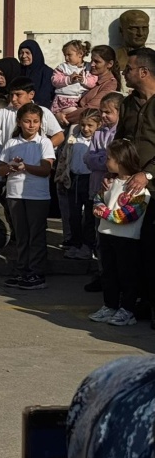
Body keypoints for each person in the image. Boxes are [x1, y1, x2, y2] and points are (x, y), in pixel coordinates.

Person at [88, 140, 150, 327]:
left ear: (121, 160)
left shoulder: (139, 189)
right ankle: (110, 305)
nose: (106, 162)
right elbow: (99, 198)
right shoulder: (110, 182)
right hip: (106, 234)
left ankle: (128, 310)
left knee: (127, 275)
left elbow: (129, 214)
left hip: (127, 238)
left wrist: (105, 213)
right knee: (109, 273)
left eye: (109, 158)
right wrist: (99, 206)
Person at [115, 48, 155, 325]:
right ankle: (136, 301)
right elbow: (121, 141)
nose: (124, 73)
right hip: (129, 188)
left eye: (128, 69)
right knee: (131, 248)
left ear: (143, 71)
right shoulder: (128, 104)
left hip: (151, 186)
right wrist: (115, 170)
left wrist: (148, 174)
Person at [0, 104, 57, 290]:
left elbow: (46, 169)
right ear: (19, 122)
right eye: (27, 121)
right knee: (21, 234)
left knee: (36, 235)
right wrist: (11, 166)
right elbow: (0, 169)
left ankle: (36, 272)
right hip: (15, 193)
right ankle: (22, 270)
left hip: (36, 196)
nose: (31, 125)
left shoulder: (44, 143)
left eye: (35, 122)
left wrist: (26, 167)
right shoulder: (11, 143)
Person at [84, 92, 124, 292]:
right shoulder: (99, 133)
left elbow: (117, 162)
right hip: (97, 190)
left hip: (116, 193)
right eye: (102, 112)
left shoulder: (121, 133)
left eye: (108, 112)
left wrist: (104, 160)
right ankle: (102, 273)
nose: (104, 116)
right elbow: (88, 158)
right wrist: (104, 160)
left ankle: (116, 276)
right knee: (99, 237)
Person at [57, 111, 100, 260]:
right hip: (74, 179)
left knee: (89, 216)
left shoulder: (98, 141)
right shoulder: (73, 138)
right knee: (73, 215)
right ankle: (75, 243)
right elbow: (64, 159)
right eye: (83, 124)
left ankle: (88, 246)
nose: (86, 128)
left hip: (90, 180)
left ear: (98, 125)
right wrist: (61, 178)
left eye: (90, 125)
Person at [62, 45, 121, 127]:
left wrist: (63, 117)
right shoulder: (87, 76)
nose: (92, 64)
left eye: (97, 62)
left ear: (110, 64)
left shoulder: (110, 84)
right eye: (92, 60)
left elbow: (91, 110)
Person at [52, 40, 97, 119]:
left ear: (80, 54)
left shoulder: (88, 68)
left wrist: (83, 80)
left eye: (69, 55)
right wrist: (68, 79)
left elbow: (93, 82)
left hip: (78, 101)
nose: (66, 58)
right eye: (65, 55)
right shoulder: (63, 67)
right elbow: (55, 80)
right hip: (62, 100)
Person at [18, 40, 56, 110]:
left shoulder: (47, 73)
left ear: (35, 54)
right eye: (21, 53)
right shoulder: (18, 71)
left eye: (27, 53)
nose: (24, 56)